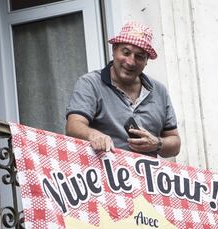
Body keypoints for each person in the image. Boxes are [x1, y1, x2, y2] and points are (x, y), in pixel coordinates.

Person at [65, 22, 180, 158]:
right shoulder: (90, 83)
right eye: (126, 52)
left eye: (139, 56)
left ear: (146, 60)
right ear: (114, 50)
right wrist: (93, 135)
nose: (131, 62)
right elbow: (73, 125)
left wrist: (158, 143)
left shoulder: (160, 91)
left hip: (146, 177)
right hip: (103, 174)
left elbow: (175, 143)